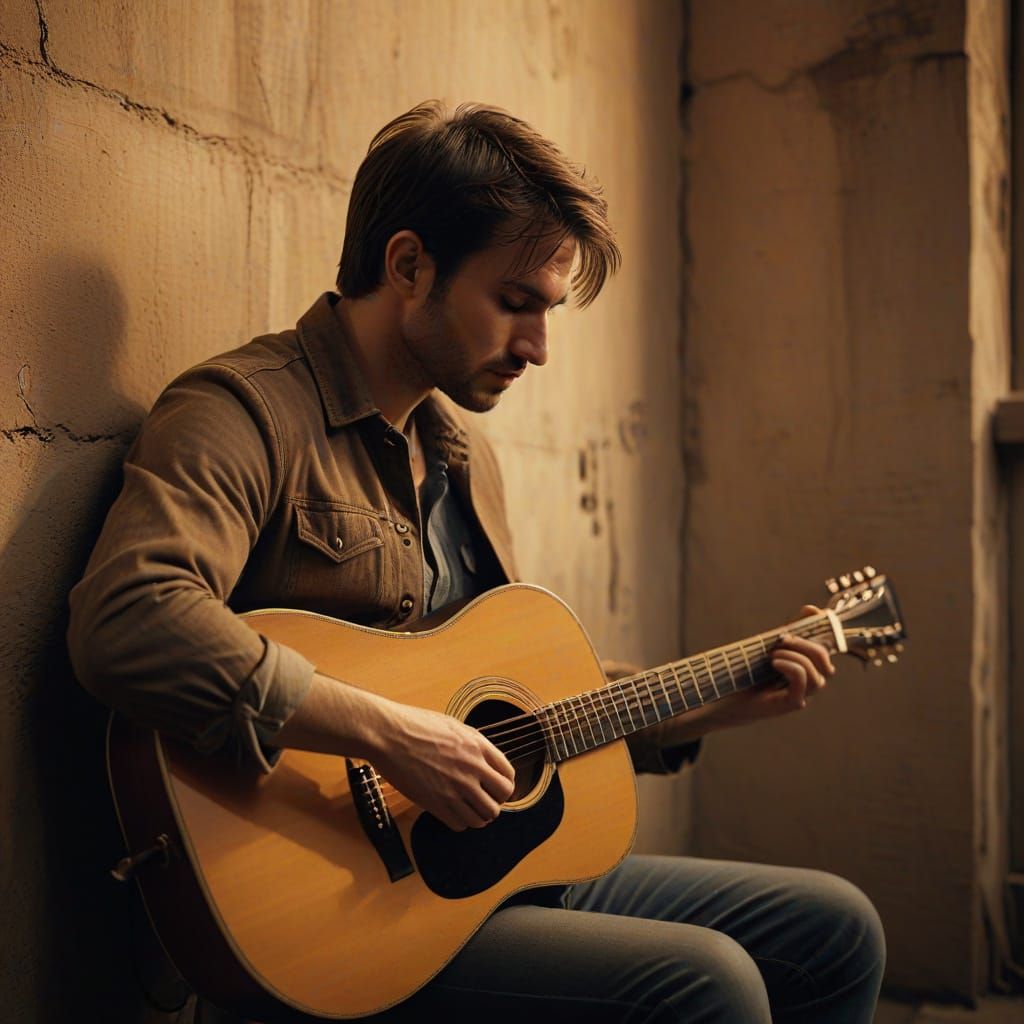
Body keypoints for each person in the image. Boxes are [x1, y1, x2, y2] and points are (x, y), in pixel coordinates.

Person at [68, 101, 885, 1023]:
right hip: (341, 921)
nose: (537, 347)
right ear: (409, 265)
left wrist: (714, 703)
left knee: (836, 929)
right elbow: (126, 617)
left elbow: (518, 710)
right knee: (711, 985)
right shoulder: (243, 412)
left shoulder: (463, 459)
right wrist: (389, 734)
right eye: (516, 302)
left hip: (488, 878)